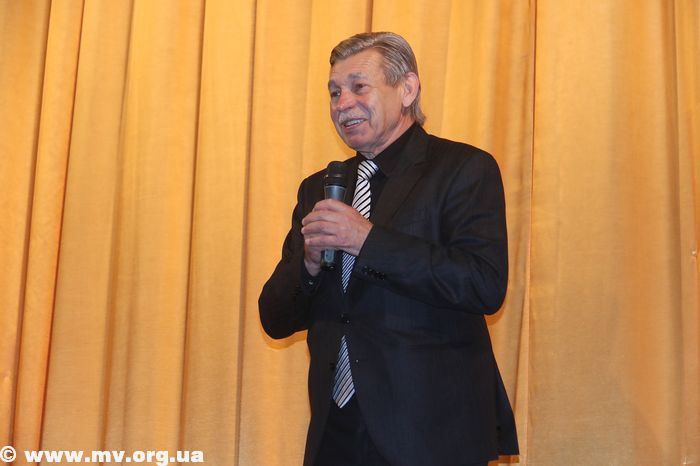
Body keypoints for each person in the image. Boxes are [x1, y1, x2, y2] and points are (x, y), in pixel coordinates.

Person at [259, 31, 518, 466]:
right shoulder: (318, 188)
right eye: (334, 92)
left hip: (432, 432)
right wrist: (308, 264)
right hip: (335, 432)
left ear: (407, 89)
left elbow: (483, 284)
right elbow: (274, 317)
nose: (343, 104)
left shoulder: (463, 169)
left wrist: (366, 240)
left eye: (359, 87)